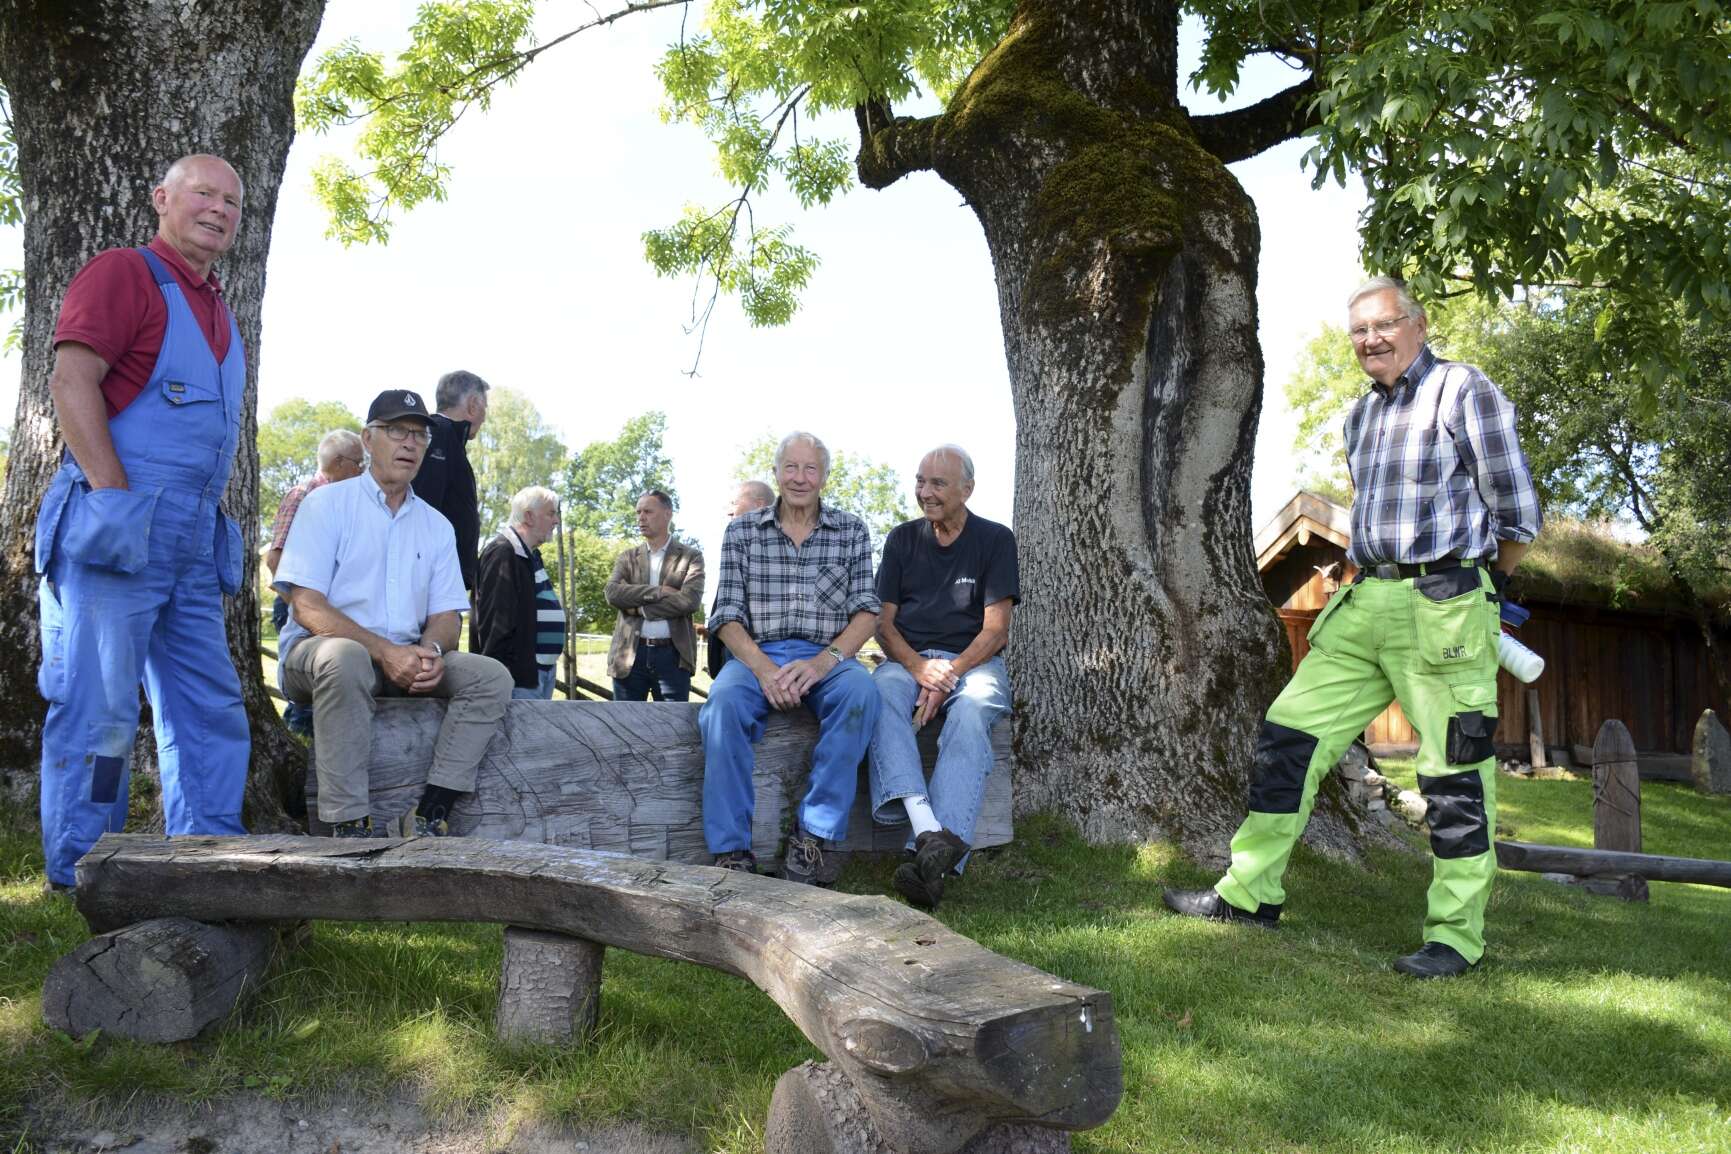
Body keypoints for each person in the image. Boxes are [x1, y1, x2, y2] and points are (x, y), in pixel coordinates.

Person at [1163, 277, 1543, 979]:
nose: (1371, 339)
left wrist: (1482, 591)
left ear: (1417, 326)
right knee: (1287, 739)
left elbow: (1516, 513)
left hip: (1445, 605)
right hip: (1364, 603)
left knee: (1454, 774)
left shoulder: (1462, 390)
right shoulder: (1360, 416)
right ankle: (1248, 893)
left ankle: (1455, 938)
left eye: (1384, 324)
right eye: (1359, 331)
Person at [33, 154, 251, 893]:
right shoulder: (124, 274)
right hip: (117, 529)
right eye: (202, 193)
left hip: (191, 545)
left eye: (231, 201)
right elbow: (71, 381)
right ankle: (84, 871)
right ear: (162, 198)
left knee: (209, 708)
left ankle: (209, 861)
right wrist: (113, 496)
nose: (218, 209)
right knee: (99, 712)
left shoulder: (219, 311)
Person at [275, 389, 513, 838]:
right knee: (344, 657)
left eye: (420, 435)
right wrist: (386, 652)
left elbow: (448, 616)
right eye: (397, 431)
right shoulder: (326, 505)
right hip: (319, 655)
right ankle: (347, 826)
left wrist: (431, 651)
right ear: (368, 439)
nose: (410, 443)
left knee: (490, 676)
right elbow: (306, 605)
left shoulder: (436, 525)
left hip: (404, 657)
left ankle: (427, 816)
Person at [701, 432, 881, 883]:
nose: (800, 478)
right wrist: (764, 670)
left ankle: (812, 837)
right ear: (777, 472)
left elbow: (866, 612)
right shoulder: (742, 531)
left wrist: (823, 663)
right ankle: (732, 850)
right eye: (791, 468)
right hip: (755, 654)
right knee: (722, 705)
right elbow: (726, 616)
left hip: (825, 656)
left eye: (810, 468)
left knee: (861, 693)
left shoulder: (851, 530)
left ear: (824, 477)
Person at [868, 445, 1018, 908]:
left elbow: (996, 631)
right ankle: (928, 832)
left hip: (972, 663)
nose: (925, 492)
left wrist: (946, 676)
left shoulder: (995, 539)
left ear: (967, 489)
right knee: (879, 694)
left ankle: (928, 860)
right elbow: (883, 625)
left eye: (937, 483)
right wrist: (919, 668)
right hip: (907, 661)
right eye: (920, 481)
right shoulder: (901, 540)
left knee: (972, 712)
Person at [265, 428, 364, 734]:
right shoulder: (303, 495)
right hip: (300, 607)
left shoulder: (349, 502)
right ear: (338, 462)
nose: (362, 471)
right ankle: (301, 740)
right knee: (307, 691)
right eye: (358, 463)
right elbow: (275, 558)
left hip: (329, 610)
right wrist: (304, 608)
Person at [604, 490, 705, 701]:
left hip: (673, 656)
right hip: (630, 654)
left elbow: (689, 601)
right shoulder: (627, 557)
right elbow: (612, 593)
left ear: (668, 514)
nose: (641, 517)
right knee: (626, 720)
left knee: (673, 721)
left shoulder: (691, 557)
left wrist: (639, 609)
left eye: (648, 511)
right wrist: (658, 591)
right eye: (638, 512)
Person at [474, 486, 565, 699]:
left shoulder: (530, 555)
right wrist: (499, 677)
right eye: (551, 513)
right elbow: (495, 624)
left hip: (539, 672)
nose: (556, 521)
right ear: (529, 516)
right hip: (518, 677)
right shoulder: (504, 553)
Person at [411, 369, 488, 591]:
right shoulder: (439, 434)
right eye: (485, 406)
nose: (485, 415)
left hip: (443, 577)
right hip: (435, 579)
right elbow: (422, 504)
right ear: (473, 404)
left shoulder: (449, 438)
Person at [706, 480, 774, 678]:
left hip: (758, 659)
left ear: (759, 505)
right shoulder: (736, 544)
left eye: (734, 503)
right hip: (731, 657)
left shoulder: (775, 550)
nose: (728, 511)